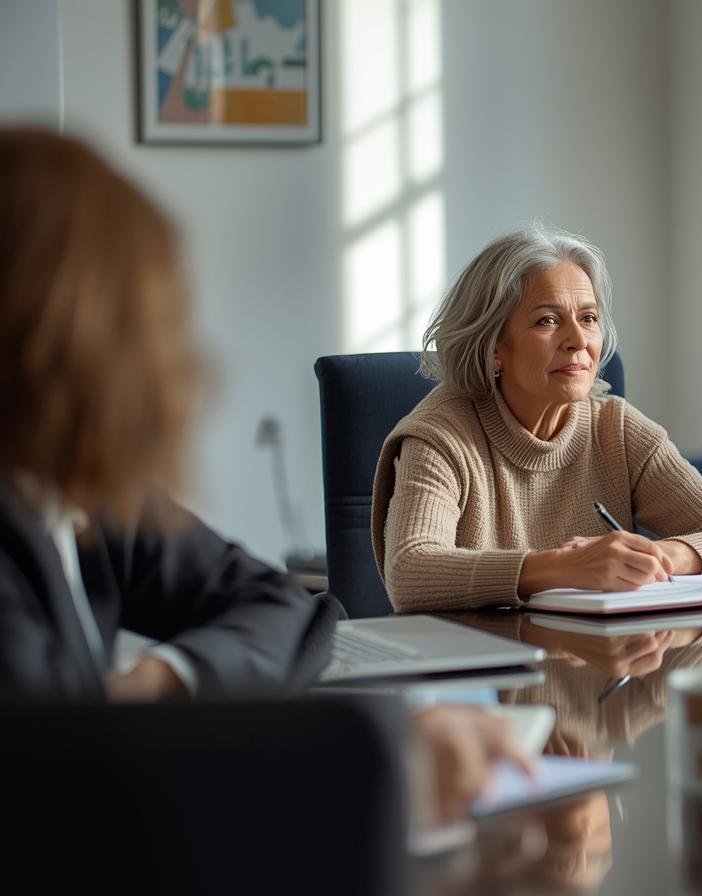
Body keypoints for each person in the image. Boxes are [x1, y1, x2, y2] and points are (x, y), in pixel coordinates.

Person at [0, 126, 526, 822]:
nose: (184, 360)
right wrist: (367, 768)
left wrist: (161, 681)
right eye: (156, 323)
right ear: (69, 333)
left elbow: (286, 607)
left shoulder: (84, 498)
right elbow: (60, 810)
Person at [374, 223, 702, 613]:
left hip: (599, 661)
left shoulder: (615, 428)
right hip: (484, 667)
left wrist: (657, 557)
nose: (579, 340)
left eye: (588, 318)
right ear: (494, 346)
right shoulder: (441, 436)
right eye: (547, 320)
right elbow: (410, 572)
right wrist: (562, 568)